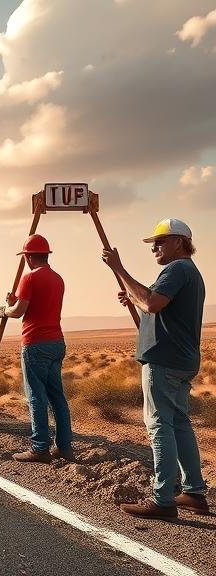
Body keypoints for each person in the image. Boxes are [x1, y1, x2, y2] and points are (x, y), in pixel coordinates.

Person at [103, 218, 209, 519]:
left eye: (160, 242)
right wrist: (133, 298)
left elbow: (151, 303)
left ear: (179, 242)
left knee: (159, 425)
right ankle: (194, 493)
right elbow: (154, 306)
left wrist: (119, 269)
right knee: (179, 423)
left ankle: (163, 499)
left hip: (164, 359)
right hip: (181, 360)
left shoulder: (177, 269)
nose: (154, 249)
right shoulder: (189, 272)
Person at [0, 235, 73, 463]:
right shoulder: (58, 279)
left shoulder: (29, 278)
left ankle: (40, 448)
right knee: (57, 397)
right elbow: (35, 304)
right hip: (56, 342)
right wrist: (15, 301)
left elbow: (19, 311)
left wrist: (4, 310)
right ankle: (64, 447)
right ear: (46, 254)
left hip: (35, 343)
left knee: (36, 397)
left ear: (28, 257)